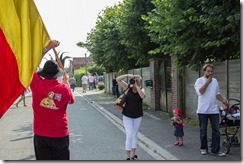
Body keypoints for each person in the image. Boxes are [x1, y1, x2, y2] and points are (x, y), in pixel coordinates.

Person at [30, 40, 75, 160]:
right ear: (57, 74)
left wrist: (48, 48)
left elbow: (32, 65)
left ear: (43, 73)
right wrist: (66, 83)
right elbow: (72, 100)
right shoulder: (64, 89)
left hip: (41, 134)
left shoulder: (36, 84)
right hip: (60, 134)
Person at [194, 63, 228, 157]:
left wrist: (223, 100)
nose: (210, 73)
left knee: (216, 130)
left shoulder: (215, 81)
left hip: (214, 110)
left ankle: (215, 150)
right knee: (203, 130)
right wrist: (207, 82)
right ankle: (204, 148)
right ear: (204, 71)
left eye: (211, 71)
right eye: (208, 71)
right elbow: (200, 92)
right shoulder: (199, 81)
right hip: (202, 110)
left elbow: (217, 94)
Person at [116, 74, 146, 160]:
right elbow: (118, 79)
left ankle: (133, 154)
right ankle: (127, 156)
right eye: (134, 80)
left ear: (140, 82)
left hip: (138, 116)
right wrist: (128, 75)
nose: (135, 81)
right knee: (129, 134)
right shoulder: (127, 88)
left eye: (137, 80)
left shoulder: (142, 89)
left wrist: (137, 86)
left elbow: (142, 96)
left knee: (134, 134)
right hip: (127, 116)